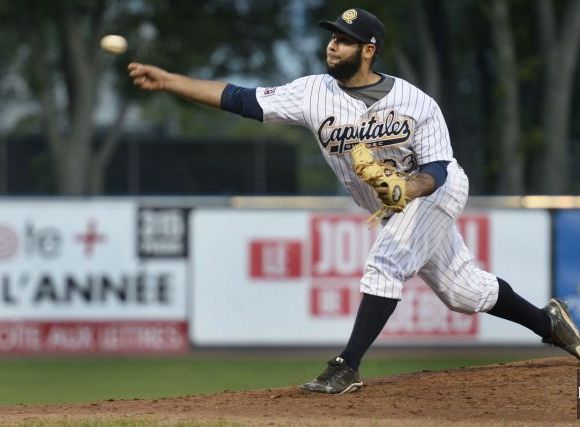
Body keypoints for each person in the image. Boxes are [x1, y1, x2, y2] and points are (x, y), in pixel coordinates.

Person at [129, 7, 580, 394]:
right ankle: (549, 323)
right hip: (394, 205)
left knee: (384, 264)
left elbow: (439, 168)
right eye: (332, 37)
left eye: (344, 41)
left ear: (369, 49)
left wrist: (409, 188)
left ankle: (347, 365)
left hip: (435, 191)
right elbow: (241, 99)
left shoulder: (416, 102)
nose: (332, 46)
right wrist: (170, 81)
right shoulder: (312, 93)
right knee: (465, 293)